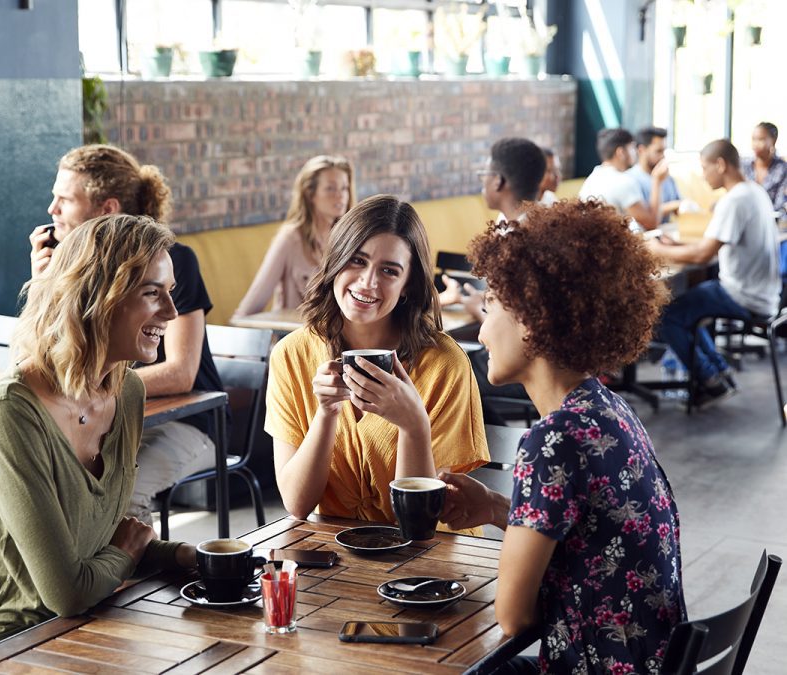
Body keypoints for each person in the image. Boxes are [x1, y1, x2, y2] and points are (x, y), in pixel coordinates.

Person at [439, 200, 685, 673]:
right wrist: (495, 508)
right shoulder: (609, 408)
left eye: (489, 308)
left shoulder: (553, 441)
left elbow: (512, 617)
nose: (484, 332)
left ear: (530, 322)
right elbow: (590, 543)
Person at [0, 215, 197, 663]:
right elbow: (68, 591)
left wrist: (182, 555)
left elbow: (100, 543)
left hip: (87, 632)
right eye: (152, 293)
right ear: (98, 297)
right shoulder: (12, 411)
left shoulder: (127, 390)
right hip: (3, 649)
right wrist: (129, 551)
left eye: (170, 293)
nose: (171, 313)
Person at [265, 194, 489, 532]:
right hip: (339, 555)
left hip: (435, 559)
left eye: (389, 270)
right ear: (335, 262)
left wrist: (414, 425)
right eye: (357, 260)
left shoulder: (445, 365)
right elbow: (297, 505)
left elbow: (420, 525)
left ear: (407, 287)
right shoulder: (291, 356)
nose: (368, 282)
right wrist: (326, 413)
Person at [29, 144, 224, 525]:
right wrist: (43, 287)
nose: (51, 210)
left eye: (64, 200)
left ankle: (134, 584)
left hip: (188, 422)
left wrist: (92, 390)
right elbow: (46, 364)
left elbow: (181, 373)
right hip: (108, 419)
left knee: (124, 501)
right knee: (54, 486)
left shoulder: (171, 260)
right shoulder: (74, 269)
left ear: (107, 210)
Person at [647, 139, 780, 407]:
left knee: (665, 314)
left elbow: (703, 255)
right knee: (688, 306)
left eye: (705, 167)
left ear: (720, 165)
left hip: (743, 295)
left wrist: (656, 248)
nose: (703, 175)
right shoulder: (754, 191)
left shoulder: (734, 200)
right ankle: (719, 372)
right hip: (764, 293)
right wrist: (677, 246)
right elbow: (712, 245)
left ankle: (710, 381)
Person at [233, 155, 355, 318]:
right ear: (311, 194)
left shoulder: (349, 238)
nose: (340, 196)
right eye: (330, 188)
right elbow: (253, 302)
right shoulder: (290, 238)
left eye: (344, 188)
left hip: (337, 336)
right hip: (295, 336)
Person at [440, 138, 547, 318]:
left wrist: (478, 311)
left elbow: (520, 327)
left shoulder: (521, 242)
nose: (483, 182)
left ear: (498, 181)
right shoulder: (521, 222)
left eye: (484, 174)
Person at [579, 127, 663, 230]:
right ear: (621, 152)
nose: (635, 152)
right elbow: (651, 224)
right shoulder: (623, 181)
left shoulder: (591, 179)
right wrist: (657, 180)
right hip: (613, 244)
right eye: (632, 148)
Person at [627, 126, 683, 224]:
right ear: (641, 150)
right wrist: (673, 205)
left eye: (664, 151)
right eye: (658, 151)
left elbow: (680, 207)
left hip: (668, 233)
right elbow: (646, 215)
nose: (663, 156)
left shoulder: (667, 177)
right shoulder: (629, 180)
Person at [741, 122, 787, 221]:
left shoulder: (783, 169)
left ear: (774, 141)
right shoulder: (743, 165)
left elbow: (780, 204)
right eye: (753, 139)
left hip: (772, 222)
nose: (755, 144)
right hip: (745, 220)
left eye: (761, 139)